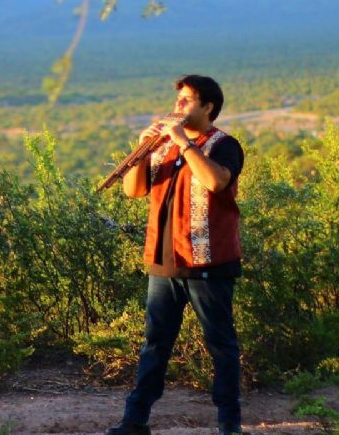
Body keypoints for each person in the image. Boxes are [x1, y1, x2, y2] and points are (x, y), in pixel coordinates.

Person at [106, 75, 245, 435]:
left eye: (187, 100)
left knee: (221, 345)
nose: (178, 106)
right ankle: (134, 421)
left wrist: (184, 143)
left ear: (208, 107)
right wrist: (142, 150)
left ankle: (229, 423)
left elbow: (216, 182)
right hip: (164, 263)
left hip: (208, 264)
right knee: (154, 345)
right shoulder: (162, 147)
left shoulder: (225, 145)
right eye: (178, 100)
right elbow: (132, 191)